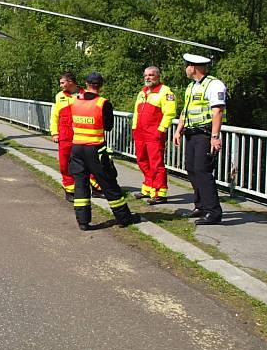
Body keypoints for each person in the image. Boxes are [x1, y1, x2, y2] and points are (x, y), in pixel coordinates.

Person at [68, 72, 137, 231]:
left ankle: (83, 222)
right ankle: (123, 218)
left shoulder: (74, 101)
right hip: (95, 149)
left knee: (80, 185)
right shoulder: (103, 103)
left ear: (86, 84)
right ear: (101, 85)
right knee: (108, 183)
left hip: (77, 148)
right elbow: (108, 126)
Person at [173, 54, 227, 225]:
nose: (185, 69)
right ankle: (201, 205)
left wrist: (215, 137)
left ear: (193, 67)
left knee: (203, 171)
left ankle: (213, 212)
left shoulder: (214, 84)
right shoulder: (191, 86)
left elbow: (217, 111)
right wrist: (178, 130)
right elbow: (185, 111)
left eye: (186, 66)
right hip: (191, 134)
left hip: (205, 134)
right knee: (191, 168)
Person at [51, 72, 103, 203]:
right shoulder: (59, 96)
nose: (61, 85)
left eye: (62, 82)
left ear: (70, 82)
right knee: (65, 163)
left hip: (82, 134)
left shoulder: (85, 95)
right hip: (65, 135)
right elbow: (54, 116)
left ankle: (96, 187)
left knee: (91, 162)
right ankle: (70, 190)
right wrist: (54, 133)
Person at [132, 66, 176, 204]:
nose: (148, 78)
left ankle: (159, 192)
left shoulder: (165, 92)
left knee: (156, 163)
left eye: (151, 75)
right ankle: (148, 187)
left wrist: (161, 130)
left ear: (158, 76)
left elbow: (169, 113)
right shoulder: (143, 92)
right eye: (146, 75)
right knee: (142, 160)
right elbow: (136, 112)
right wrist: (134, 128)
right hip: (140, 133)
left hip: (154, 134)